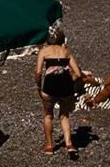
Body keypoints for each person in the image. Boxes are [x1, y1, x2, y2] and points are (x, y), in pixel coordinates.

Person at [35, 26, 82, 156]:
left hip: (50, 86)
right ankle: (69, 144)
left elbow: (38, 72)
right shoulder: (66, 52)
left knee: (48, 114)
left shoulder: (44, 51)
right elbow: (78, 73)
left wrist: (39, 87)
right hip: (66, 86)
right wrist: (70, 82)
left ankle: (50, 146)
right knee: (64, 115)